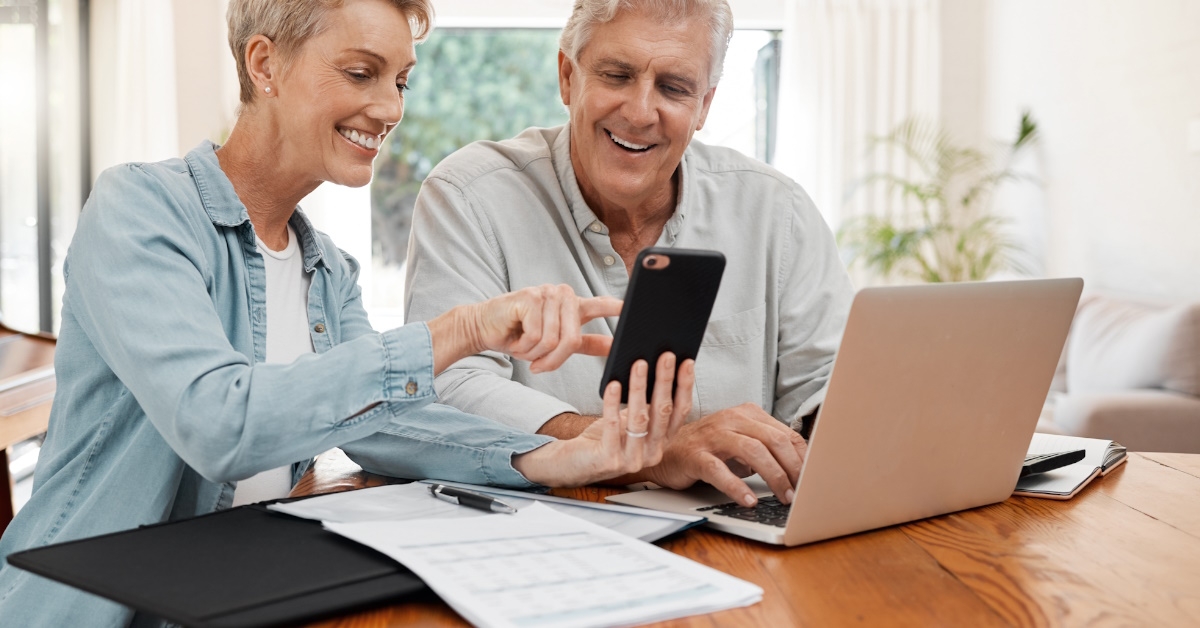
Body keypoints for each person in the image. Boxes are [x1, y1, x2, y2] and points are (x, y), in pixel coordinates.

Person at [0, 0, 695, 624]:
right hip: (81, 611)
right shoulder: (141, 210)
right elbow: (218, 422)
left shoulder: (326, 267)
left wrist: (565, 457)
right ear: (265, 62)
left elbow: (386, 423)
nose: (391, 109)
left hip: (221, 594)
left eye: (400, 81)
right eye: (362, 73)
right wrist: (458, 332)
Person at [405, 0, 856, 510]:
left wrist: (842, 426)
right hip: (546, 534)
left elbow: (831, 381)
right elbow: (444, 389)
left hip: (742, 526)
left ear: (704, 105)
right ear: (567, 77)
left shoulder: (778, 210)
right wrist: (643, 451)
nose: (641, 113)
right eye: (617, 75)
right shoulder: (470, 196)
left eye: (674, 87)